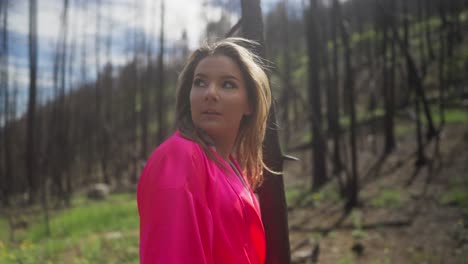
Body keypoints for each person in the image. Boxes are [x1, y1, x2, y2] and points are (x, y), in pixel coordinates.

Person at [137, 37, 272, 264]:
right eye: (200, 82)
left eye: (227, 84)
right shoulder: (179, 158)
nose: (210, 93)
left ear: (249, 104)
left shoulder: (232, 165)